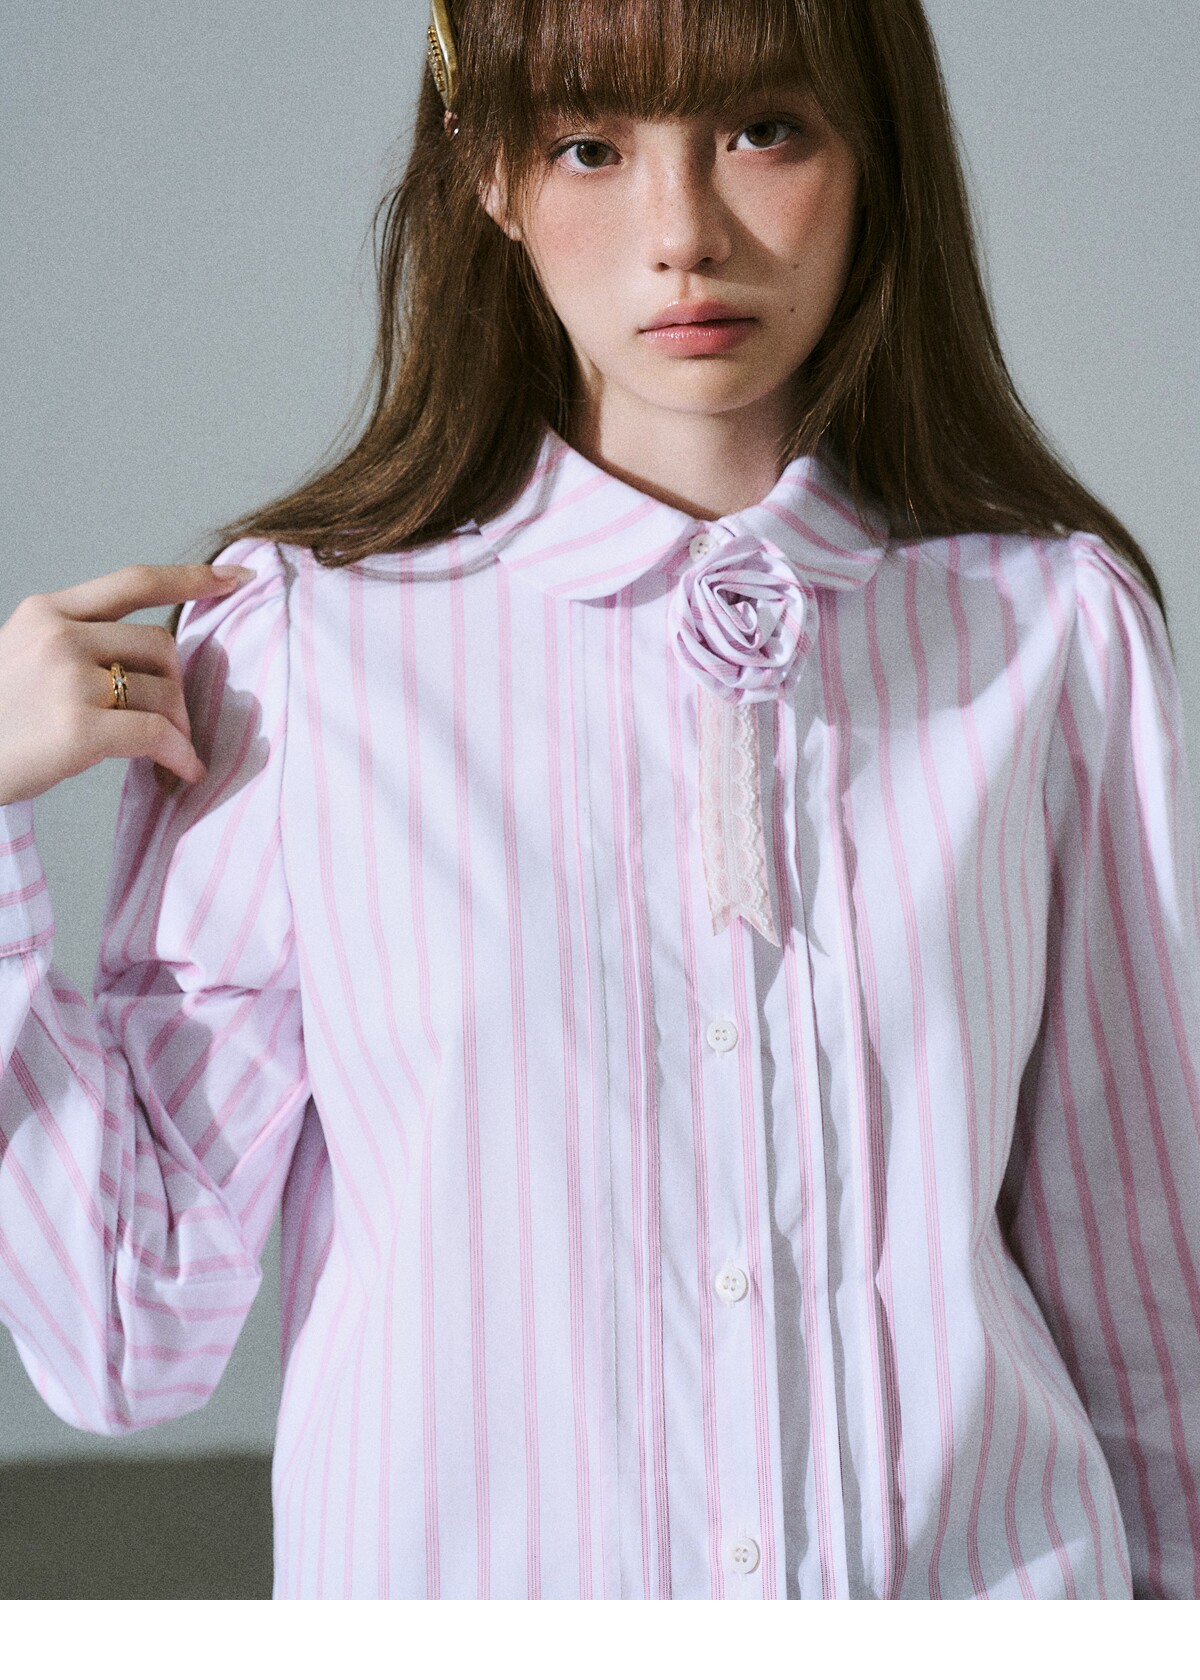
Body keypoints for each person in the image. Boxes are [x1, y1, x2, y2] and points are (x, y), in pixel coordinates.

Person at [0, 0, 1197, 1601]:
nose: (682, 232)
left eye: (764, 130)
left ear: (874, 152)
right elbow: (123, 1335)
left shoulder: (1050, 634)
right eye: (588, 147)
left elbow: (1148, 1310)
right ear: (489, 174)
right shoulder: (302, 656)